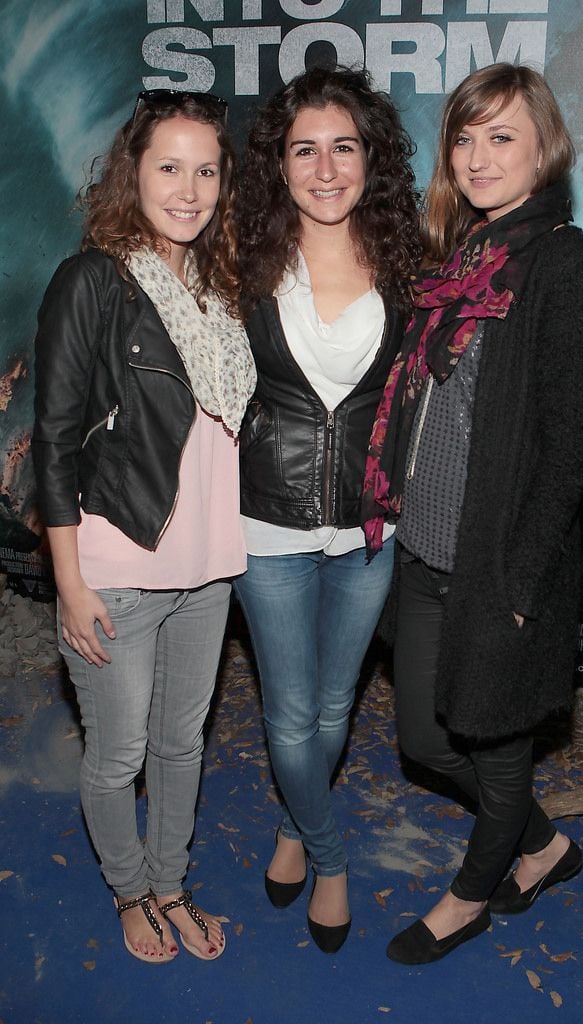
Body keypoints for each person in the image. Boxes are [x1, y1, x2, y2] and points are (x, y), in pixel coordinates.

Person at [362, 63, 583, 965]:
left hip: (498, 566)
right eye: (464, 138)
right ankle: (546, 845)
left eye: (500, 136)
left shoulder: (567, 267)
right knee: (428, 739)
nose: (476, 156)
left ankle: (474, 891)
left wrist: (521, 577)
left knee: (493, 743)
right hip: (428, 548)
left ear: (543, 147)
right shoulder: (465, 259)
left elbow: (570, 447)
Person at [32, 90, 256, 964]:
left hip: (209, 566)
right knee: (117, 753)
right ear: (135, 171)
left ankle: (171, 881)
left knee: (179, 743)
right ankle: (129, 891)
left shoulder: (220, 288)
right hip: (116, 564)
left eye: (206, 170)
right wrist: (70, 581)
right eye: (170, 166)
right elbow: (53, 441)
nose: (189, 189)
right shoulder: (95, 278)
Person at [233, 66, 421, 953]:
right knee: (288, 711)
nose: (324, 166)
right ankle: (331, 852)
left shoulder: (409, 261)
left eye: (343, 146)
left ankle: (292, 820)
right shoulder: (243, 259)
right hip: (266, 522)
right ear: (279, 163)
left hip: (370, 526)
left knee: (337, 704)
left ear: (369, 158)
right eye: (304, 148)